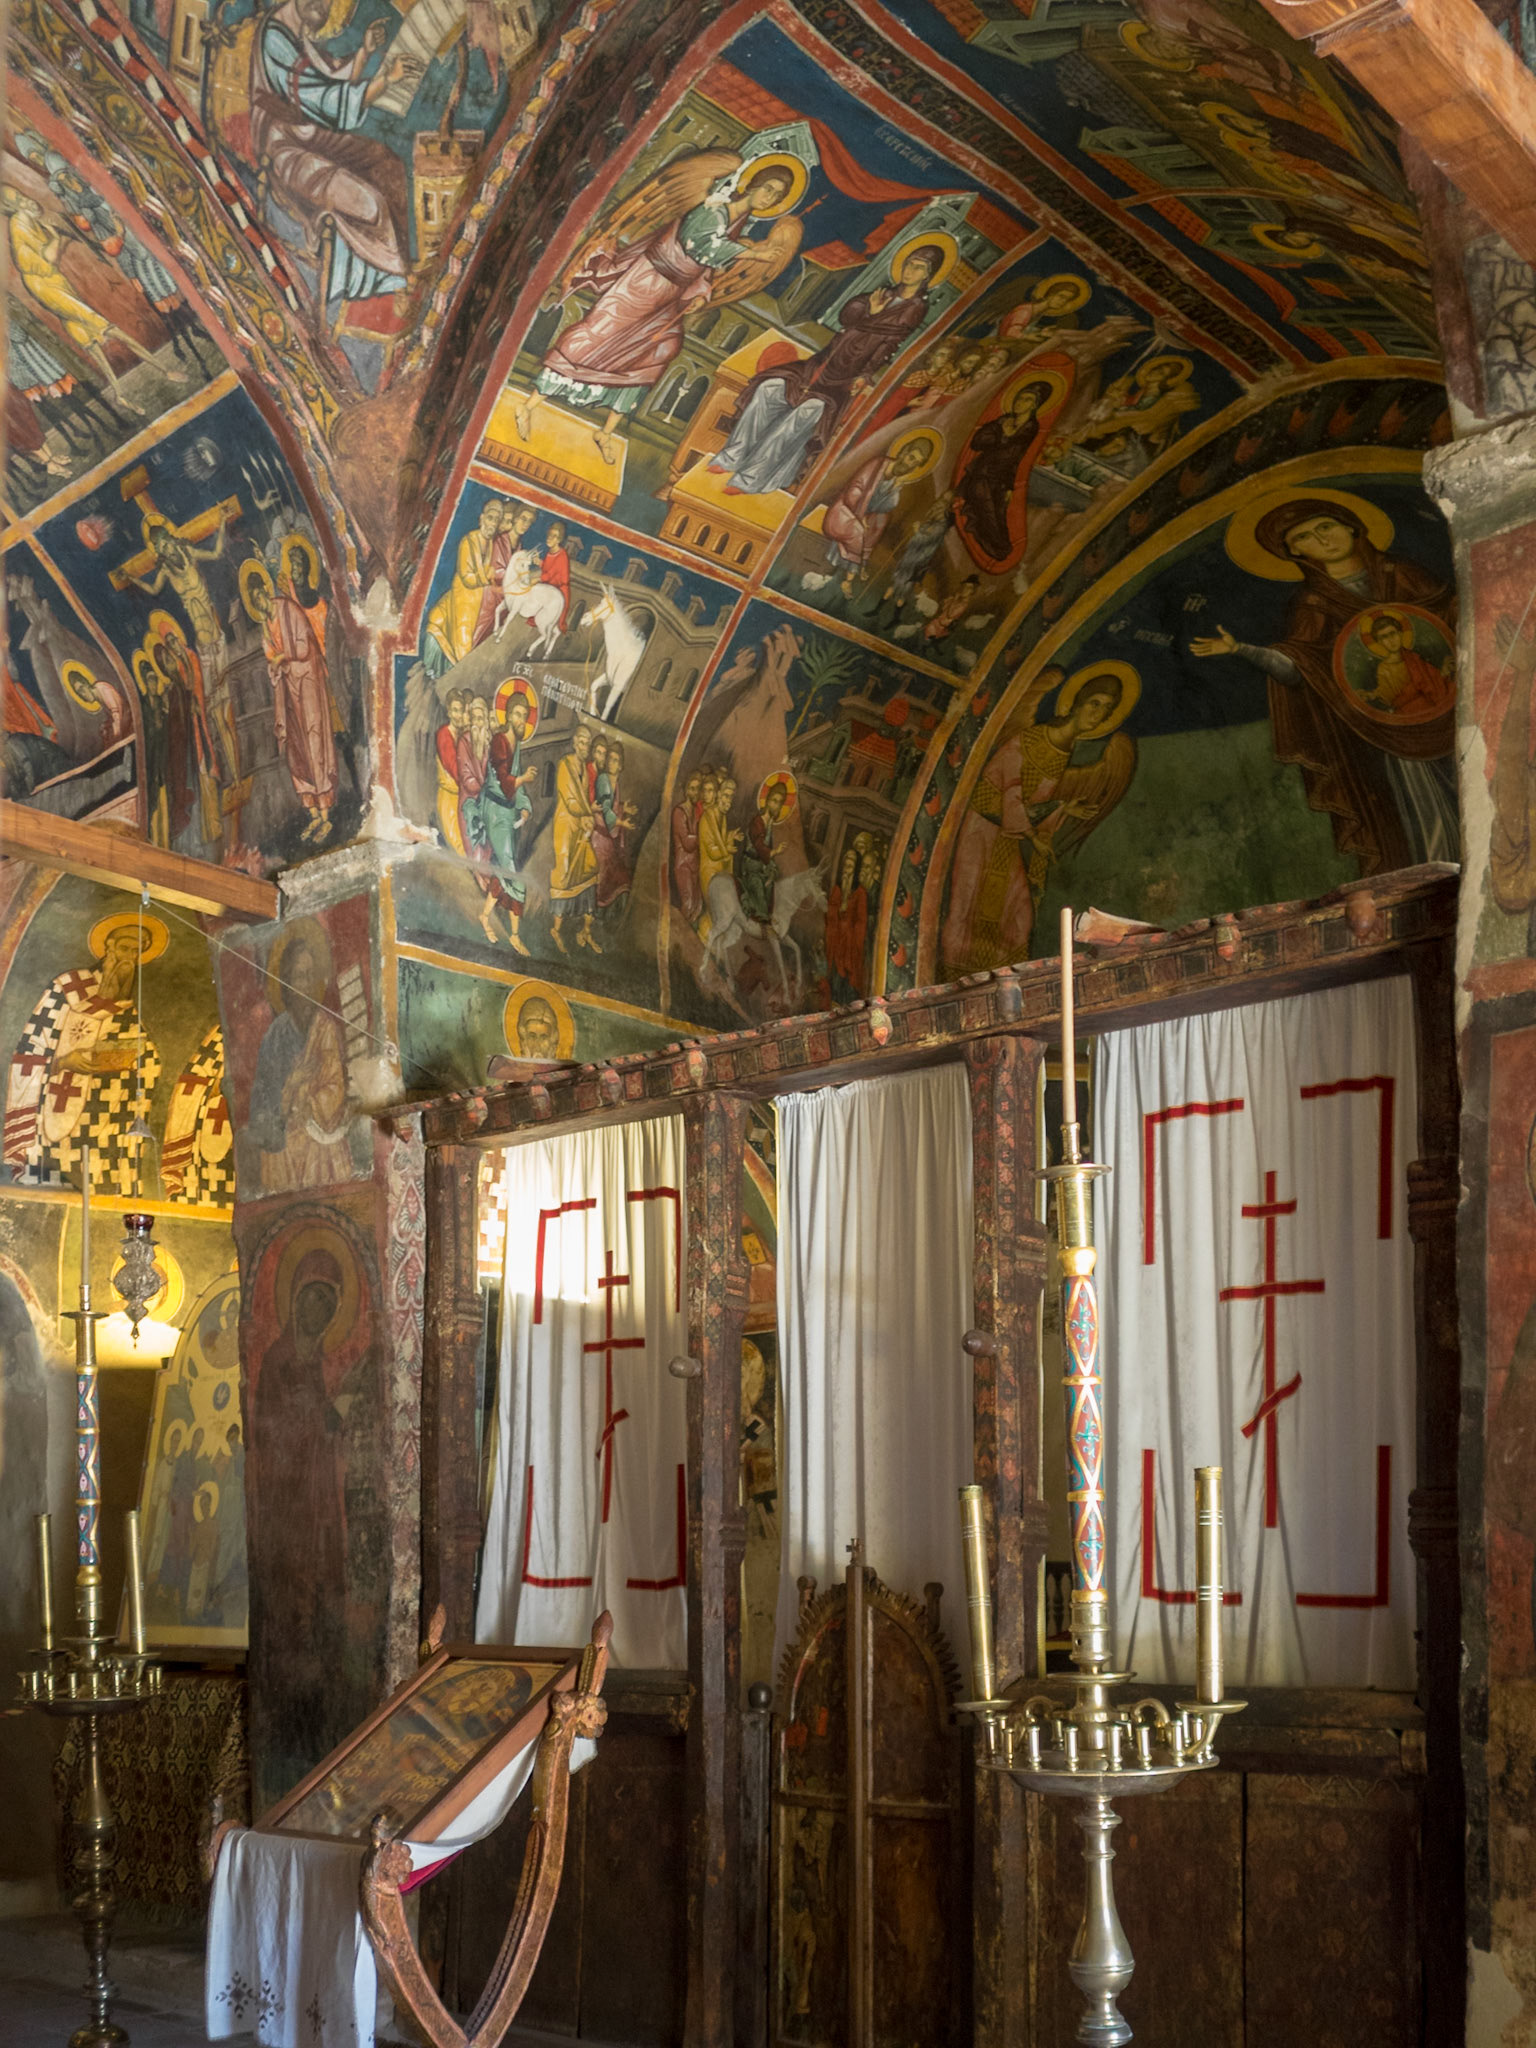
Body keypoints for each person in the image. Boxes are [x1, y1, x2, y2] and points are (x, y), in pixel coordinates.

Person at [1190, 496, 1457, 869]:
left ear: (1349, 525)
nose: (1323, 539)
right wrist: (1243, 650)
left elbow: (1453, 615)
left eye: (1326, 527)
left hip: (1452, 707)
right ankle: (1441, 876)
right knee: (1418, 807)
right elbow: (1297, 666)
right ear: (1295, 551)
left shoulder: (1403, 573)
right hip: (1386, 730)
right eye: (1306, 536)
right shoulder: (1313, 602)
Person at [519, 162, 799, 467]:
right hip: (647, 280)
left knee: (657, 350)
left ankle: (607, 431)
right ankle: (530, 404)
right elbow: (701, 247)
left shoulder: (736, 224)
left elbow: (705, 267)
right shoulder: (713, 208)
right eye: (768, 189)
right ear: (752, 184)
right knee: (597, 336)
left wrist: (699, 294)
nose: (770, 198)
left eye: (777, 196)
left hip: (673, 295)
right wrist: (756, 254)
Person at [941, 668, 1136, 974]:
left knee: (1020, 914)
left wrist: (1062, 809)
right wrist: (1033, 838)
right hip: (982, 832)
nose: (1098, 715)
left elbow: (1036, 801)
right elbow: (1011, 789)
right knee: (967, 907)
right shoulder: (1032, 737)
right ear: (1076, 703)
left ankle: (1004, 978)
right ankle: (955, 974)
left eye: (1107, 710)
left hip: (1011, 837)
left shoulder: (1065, 751)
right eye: (1094, 704)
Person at [710, 244, 944, 496]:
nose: (910, 270)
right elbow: (847, 315)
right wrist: (868, 312)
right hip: (819, 366)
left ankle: (749, 479)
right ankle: (731, 457)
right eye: (909, 263)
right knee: (769, 389)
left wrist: (865, 369)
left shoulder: (915, 308)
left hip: (841, 382)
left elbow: (887, 341)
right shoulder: (883, 293)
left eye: (918, 267)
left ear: (927, 275)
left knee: (801, 418)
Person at [248, 0, 413, 311]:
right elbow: (321, 100)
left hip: (311, 139)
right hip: (285, 150)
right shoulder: (274, 37)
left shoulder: (300, 40)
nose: (323, 6)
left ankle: (396, 267)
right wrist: (384, 82)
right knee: (370, 203)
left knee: (386, 163)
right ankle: (387, 281)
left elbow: (328, 77)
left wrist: (364, 51)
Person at [252, 551, 338, 844]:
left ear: (266, 593)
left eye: (259, 598)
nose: (258, 606)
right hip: (289, 691)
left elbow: (303, 648)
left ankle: (327, 816)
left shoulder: (288, 610)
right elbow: (270, 657)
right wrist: (276, 663)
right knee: (297, 753)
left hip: (309, 685)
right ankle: (312, 815)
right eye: (254, 604)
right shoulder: (265, 623)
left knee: (315, 746)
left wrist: (281, 658)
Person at [954, 378, 1058, 575]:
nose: (1020, 403)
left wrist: (1010, 485)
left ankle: (999, 548)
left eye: (1026, 400)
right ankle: (999, 546)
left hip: (1001, 479)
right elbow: (977, 442)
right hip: (982, 473)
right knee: (985, 509)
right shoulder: (1003, 421)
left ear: (1035, 405)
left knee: (998, 512)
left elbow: (1016, 458)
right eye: (1019, 398)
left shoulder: (1031, 428)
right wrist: (1002, 432)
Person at [823, 434, 938, 597]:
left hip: (865, 519)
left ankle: (851, 574)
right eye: (911, 457)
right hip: (847, 511)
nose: (909, 464)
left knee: (879, 520)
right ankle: (843, 578)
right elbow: (855, 488)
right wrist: (858, 514)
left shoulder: (897, 480)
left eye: (915, 463)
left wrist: (894, 489)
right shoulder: (877, 465)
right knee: (858, 531)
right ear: (904, 451)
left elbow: (885, 507)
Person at [484, 683, 538, 954]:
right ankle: (516, 935)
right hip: (495, 812)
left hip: (508, 814)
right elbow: (504, 783)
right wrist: (522, 780)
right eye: (516, 714)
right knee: (514, 876)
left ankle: (484, 916)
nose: (520, 720)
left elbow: (518, 788)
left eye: (524, 716)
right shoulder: (500, 741)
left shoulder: (516, 746)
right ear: (507, 716)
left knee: (503, 870)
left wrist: (525, 806)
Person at [426, 501, 504, 675]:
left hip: (481, 598)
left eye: (496, 520)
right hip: (465, 596)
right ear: (481, 518)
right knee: (463, 639)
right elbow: (467, 577)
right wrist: (487, 575)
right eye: (490, 518)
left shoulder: (493, 545)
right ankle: (459, 675)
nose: (492, 524)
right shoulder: (469, 541)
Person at [550, 726, 601, 953]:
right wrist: (586, 815)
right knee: (565, 871)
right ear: (574, 743)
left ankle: (585, 930)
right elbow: (570, 798)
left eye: (587, 744)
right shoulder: (565, 765)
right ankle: (555, 930)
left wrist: (587, 816)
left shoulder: (586, 769)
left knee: (589, 868)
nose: (585, 748)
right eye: (581, 743)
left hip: (581, 828)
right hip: (566, 826)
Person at [1357, 609, 1450, 716]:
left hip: (1429, 705)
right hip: (1406, 711)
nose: (1391, 640)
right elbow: (1387, 695)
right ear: (1379, 642)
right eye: (1384, 637)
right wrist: (1371, 695)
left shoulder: (1414, 658)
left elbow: (1432, 680)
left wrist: (1443, 673)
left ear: (1400, 634)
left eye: (1392, 633)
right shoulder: (1384, 668)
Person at [736, 777, 790, 923]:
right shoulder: (757, 822)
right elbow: (760, 847)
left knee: (773, 879)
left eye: (780, 803)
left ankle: (768, 916)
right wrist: (776, 852)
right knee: (758, 886)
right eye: (774, 801)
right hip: (750, 864)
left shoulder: (769, 823)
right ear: (767, 801)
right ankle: (762, 920)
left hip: (762, 864)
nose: (776, 806)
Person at [592, 738, 636, 915]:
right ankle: (596, 913)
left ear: (621, 766)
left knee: (618, 876)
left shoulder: (615, 783)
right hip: (601, 838)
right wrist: (620, 822)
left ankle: (608, 914)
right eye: (610, 759)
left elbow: (614, 805)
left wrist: (625, 808)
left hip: (609, 838)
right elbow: (604, 807)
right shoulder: (603, 779)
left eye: (616, 760)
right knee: (603, 876)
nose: (611, 763)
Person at [435, 690, 468, 855]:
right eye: (455, 710)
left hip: (464, 796)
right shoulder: (444, 735)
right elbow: (455, 769)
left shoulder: (464, 734)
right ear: (448, 712)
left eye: (461, 710)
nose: (458, 715)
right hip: (450, 799)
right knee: (461, 848)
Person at [671, 770, 704, 926]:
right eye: (692, 788)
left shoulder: (697, 813)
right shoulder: (679, 812)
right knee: (688, 904)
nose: (695, 792)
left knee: (697, 907)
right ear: (686, 790)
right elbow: (687, 842)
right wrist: (704, 836)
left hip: (696, 865)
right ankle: (678, 935)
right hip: (683, 864)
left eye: (697, 789)